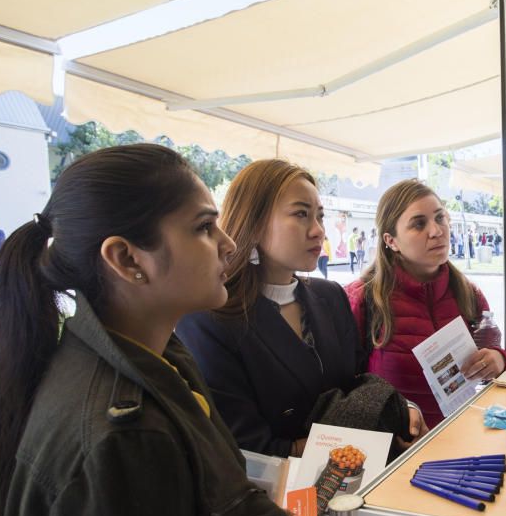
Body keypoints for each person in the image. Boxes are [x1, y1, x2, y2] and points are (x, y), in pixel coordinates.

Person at [0, 144, 290, 516]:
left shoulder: (158, 362)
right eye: (204, 228)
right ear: (125, 258)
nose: (229, 244)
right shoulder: (123, 441)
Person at [176, 160, 426, 459]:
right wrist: (348, 442)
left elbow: (359, 382)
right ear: (253, 224)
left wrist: (401, 408)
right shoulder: (209, 318)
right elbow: (245, 445)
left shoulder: (330, 296)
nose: (318, 231)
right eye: (301, 214)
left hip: (362, 475)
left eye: (320, 216)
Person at [345, 179, 506, 428]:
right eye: (418, 224)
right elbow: (341, 388)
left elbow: (492, 355)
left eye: (440, 218)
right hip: (395, 451)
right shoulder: (363, 298)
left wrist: (498, 360)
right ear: (391, 241)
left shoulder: (468, 293)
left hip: (462, 436)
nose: (436, 231)